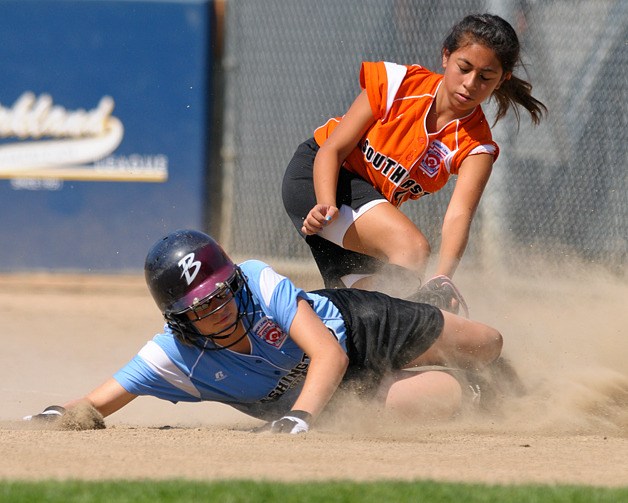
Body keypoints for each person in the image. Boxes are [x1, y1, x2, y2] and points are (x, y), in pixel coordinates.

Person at [25, 229, 505, 433]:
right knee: (450, 396)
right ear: (178, 319)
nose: (219, 308)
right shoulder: (172, 355)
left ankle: (426, 312)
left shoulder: (256, 280)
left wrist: (299, 419)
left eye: (221, 293)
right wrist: (50, 416)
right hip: (336, 395)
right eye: (201, 306)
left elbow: (329, 355)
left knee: (487, 343)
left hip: (358, 328)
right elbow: (93, 404)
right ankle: (466, 383)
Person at [282, 13, 547, 312]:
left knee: (376, 298)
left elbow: (458, 215)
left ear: (502, 79)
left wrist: (443, 277)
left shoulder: (477, 146)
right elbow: (332, 150)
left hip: (360, 209)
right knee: (412, 249)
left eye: (485, 77)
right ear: (446, 56)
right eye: (464, 68)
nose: (470, 84)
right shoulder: (399, 84)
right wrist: (326, 205)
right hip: (317, 180)